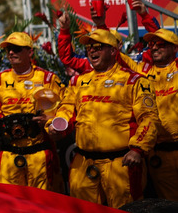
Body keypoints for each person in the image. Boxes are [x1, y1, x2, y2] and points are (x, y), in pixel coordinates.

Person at [48, 29, 157, 209]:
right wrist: (58, 126)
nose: (92, 50)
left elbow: (149, 119)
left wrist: (138, 149)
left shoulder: (135, 81)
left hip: (121, 163)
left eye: (98, 46)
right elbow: (66, 109)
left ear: (113, 51)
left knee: (125, 209)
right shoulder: (78, 81)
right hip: (83, 163)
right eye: (89, 47)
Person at [0, 32, 64, 191]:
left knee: (42, 205)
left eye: (17, 49)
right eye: (9, 49)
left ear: (30, 52)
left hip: (39, 155)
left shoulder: (47, 79)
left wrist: (51, 120)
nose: (11, 53)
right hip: (10, 154)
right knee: (7, 203)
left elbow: (66, 108)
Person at [135, 29, 178, 201]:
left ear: (174, 48)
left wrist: (145, 14)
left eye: (160, 44)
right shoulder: (141, 72)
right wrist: (101, 24)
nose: (154, 48)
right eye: (151, 44)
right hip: (158, 154)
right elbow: (112, 57)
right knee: (170, 204)